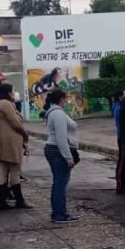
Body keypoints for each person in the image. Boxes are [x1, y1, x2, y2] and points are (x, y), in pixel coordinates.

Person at [0, 83, 31, 210]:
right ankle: (19, 200)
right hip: (10, 142)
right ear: (8, 93)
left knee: (3, 171)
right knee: (14, 170)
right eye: (13, 92)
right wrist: (25, 135)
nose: (14, 94)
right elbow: (16, 123)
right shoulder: (5, 104)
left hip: (1, 142)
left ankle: (2, 202)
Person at [44, 89, 80, 224]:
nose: (67, 101)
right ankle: (60, 214)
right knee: (60, 183)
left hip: (53, 150)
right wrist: (68, 157)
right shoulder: (58, 114)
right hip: (57, 151)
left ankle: (57, 212)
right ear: (62, 99)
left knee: (58, 182)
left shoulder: (53, 112)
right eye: (66, 98)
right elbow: (61, 138)